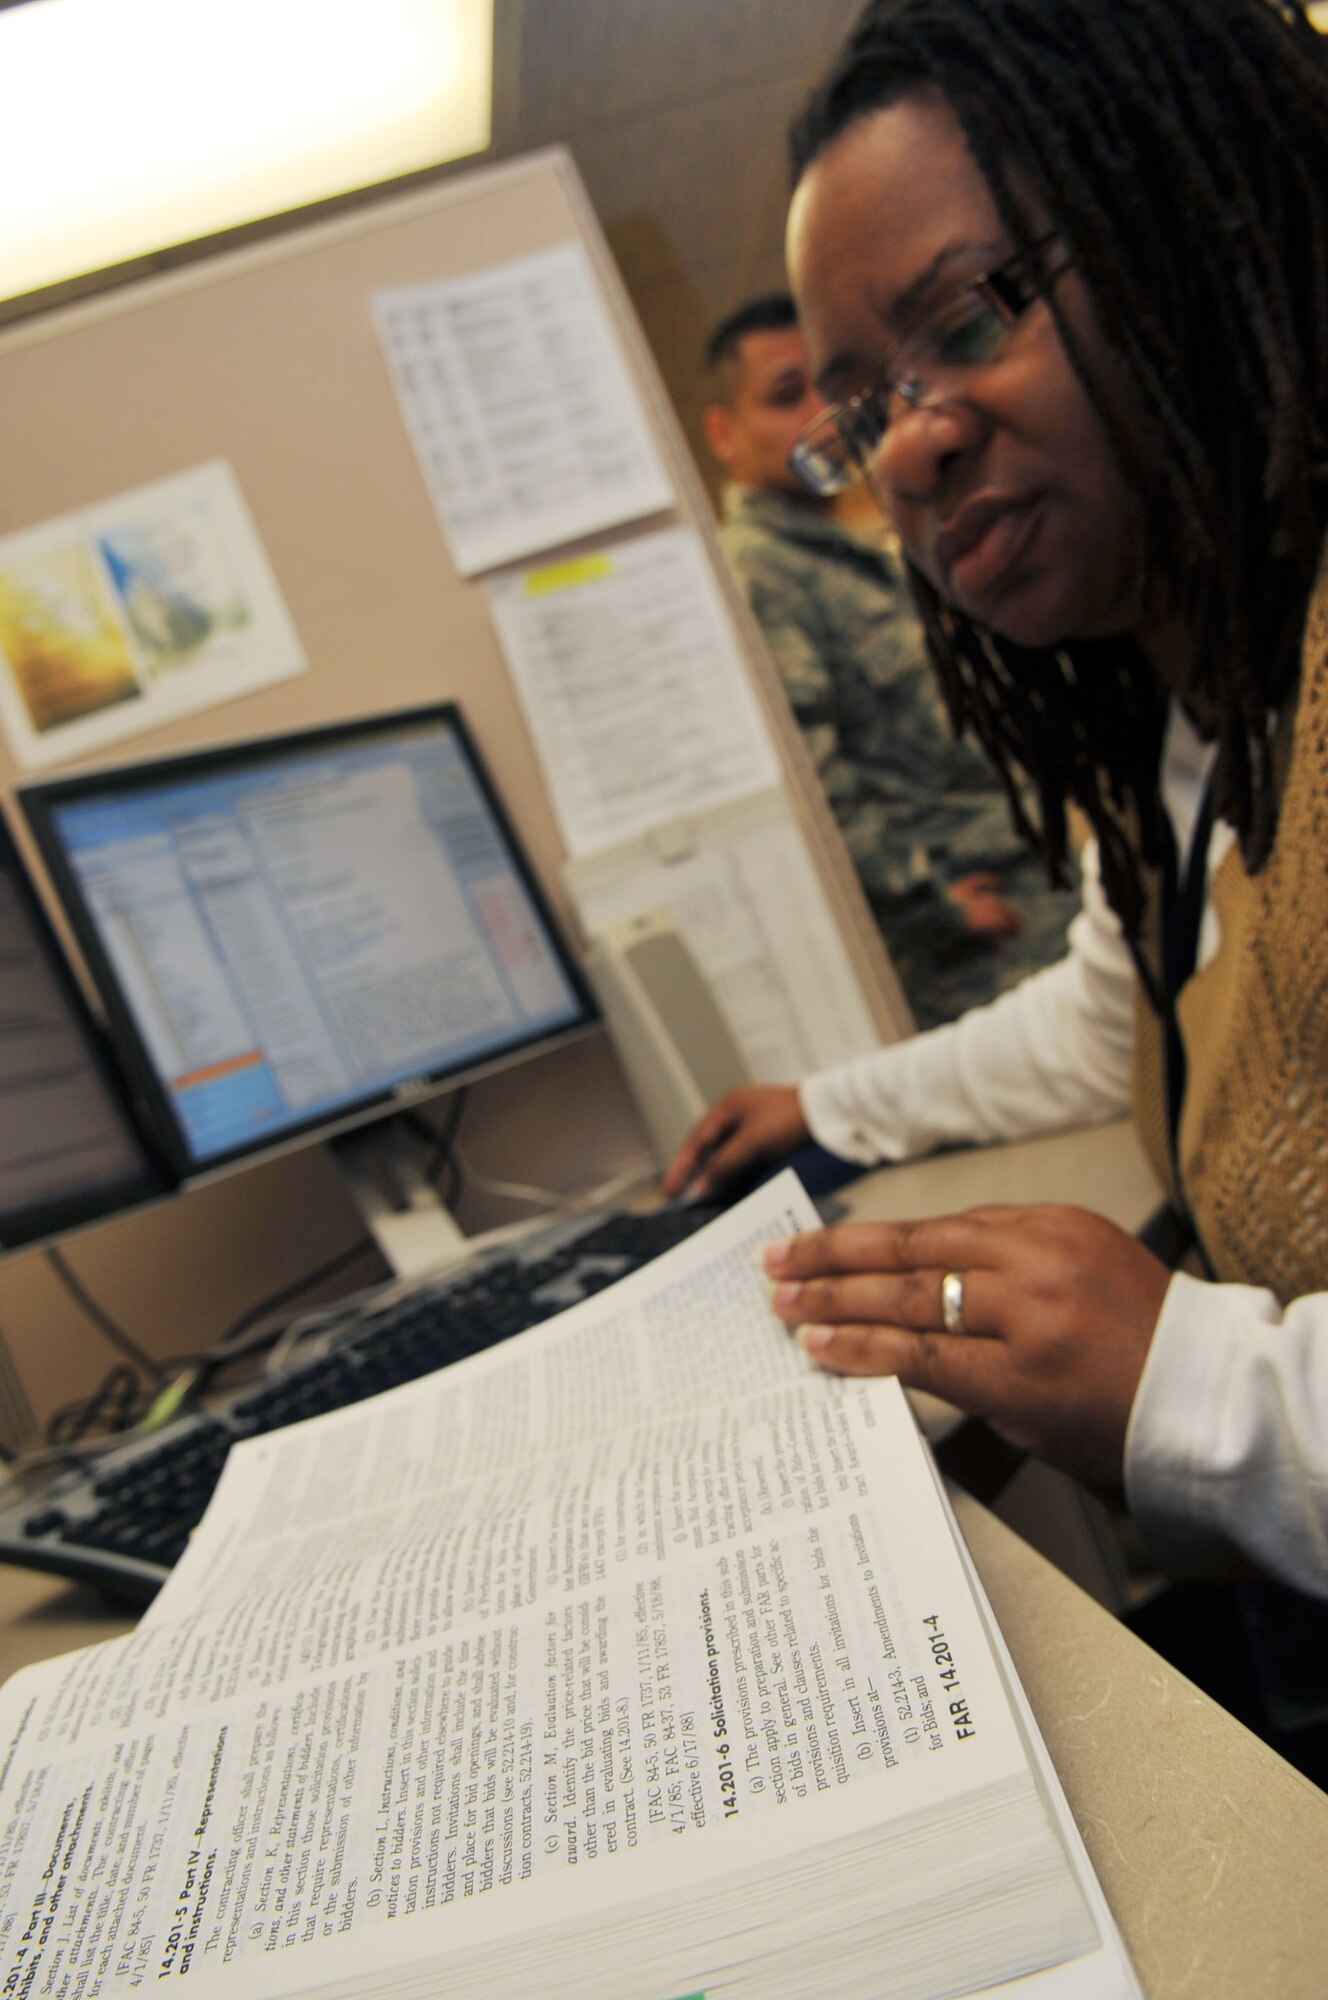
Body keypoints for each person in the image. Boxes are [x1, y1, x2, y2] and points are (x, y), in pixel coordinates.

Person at [666, 0, 1328, 1763]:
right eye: (860, 410)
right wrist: (819, 1102)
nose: (907, 445)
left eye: (968, 318)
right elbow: (1110, 1010)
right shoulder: (1196, 721)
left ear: (1196, 230)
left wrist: (1191, 1383)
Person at [702, 293, 1079, 1028]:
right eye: (785, 395)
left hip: (1036, 889)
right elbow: (807, 775)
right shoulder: (759, 571)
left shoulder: (845, 551)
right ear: (723, 431)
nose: (817, 410)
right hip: (978, 948)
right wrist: (929, 904)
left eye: (826, 386)